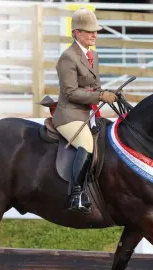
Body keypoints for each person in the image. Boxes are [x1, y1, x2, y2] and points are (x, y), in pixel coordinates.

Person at [52, 8, 117, 213]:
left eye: (95, 31)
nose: (94, 34)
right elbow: (70, 93)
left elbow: (94, 86)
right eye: (89, 31)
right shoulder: (67, 58)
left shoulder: (93, 55)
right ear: (77, 32)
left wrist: (106, 93)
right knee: (86, 144)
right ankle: (76, 195)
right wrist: (99, 96)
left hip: (88, 113)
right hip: (69, 114)